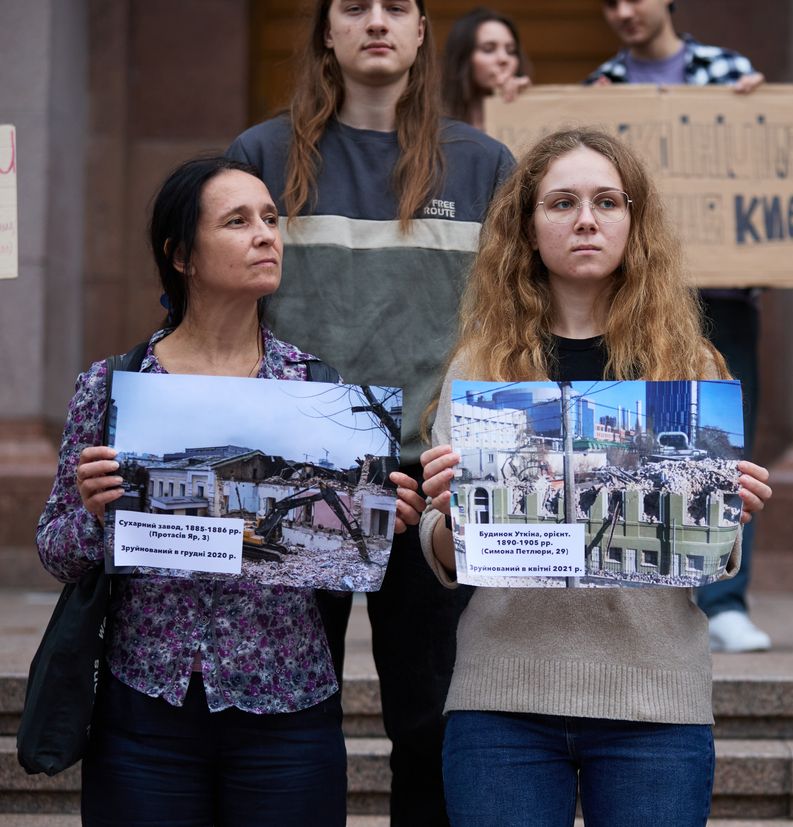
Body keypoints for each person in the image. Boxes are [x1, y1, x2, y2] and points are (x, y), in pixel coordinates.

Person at [391, 127, 772, 825]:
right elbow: (446, 559)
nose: (587, 219)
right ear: (528, 230)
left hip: (654, 698)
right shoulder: (482, 367)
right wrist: (449, 514)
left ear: (636, 222)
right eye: (561, 202)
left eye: (607, 201)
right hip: (502, 695)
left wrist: (733, 512)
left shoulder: (690, 366)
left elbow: (713, 561)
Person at [226, 2, 513, 824]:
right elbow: (220, 302)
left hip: (433, 473)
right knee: (281, 710)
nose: (376, 21)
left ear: (424, 31)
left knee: (430, 718)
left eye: (398, 8)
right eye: (354, 6)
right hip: (294, 467)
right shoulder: (262, 155)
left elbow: (511, 319)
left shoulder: (483, 163)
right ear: (325, 29)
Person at [36, 157, 347, 826]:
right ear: (182, 255)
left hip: (287, 710)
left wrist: (366, 519)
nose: (266, 234)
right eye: (238, 221)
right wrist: (93, 515)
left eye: (270, 218)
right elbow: (56, 551)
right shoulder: (113, 384)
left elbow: (342, 567)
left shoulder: (316, 391)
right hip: (145, 711)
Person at [587, 0, 788, 653]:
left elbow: (773, 168)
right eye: (610, 2)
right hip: (634, 297)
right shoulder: (602, 87)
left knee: (723, 438)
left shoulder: (729, 71)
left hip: (722, 294)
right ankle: (655, 582)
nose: (624, 12)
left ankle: (725, 598)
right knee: (651, 435)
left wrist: (760, 114)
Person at [441, 6, 531, 129]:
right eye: (488, 49)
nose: (503, 58)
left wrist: (528, 102)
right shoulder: (435, 114)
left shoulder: (526, 106)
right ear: (463, 57)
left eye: (511, 51)